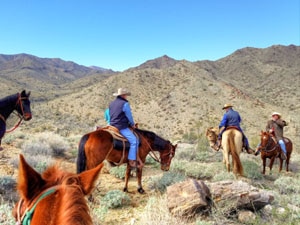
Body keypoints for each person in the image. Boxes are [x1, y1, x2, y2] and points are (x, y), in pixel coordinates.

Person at [109, 88, 143, 169]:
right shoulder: (125, 104)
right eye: (126, 95)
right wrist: (132, 124)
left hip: (112, 125)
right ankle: (131, 161)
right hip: (121, 126)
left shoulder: (111, 104)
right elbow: (129, 116)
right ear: (123, 95)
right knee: (134, 141)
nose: (126, 97)